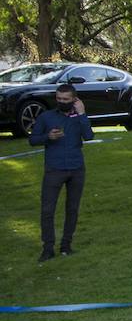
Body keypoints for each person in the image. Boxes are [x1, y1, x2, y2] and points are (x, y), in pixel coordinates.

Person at [29, 83, 94, 261]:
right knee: (48, 209)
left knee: (72, 208)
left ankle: (66, 245)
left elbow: (88, 136)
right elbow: (32, 139)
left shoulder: (78, 117)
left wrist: (82, 114)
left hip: (76, 168)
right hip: (54, 169)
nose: (62, 102)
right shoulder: (46, 117)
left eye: (66, 99)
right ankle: (48, 248)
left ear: (74, 99)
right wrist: (47, 137)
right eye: (58, 99)